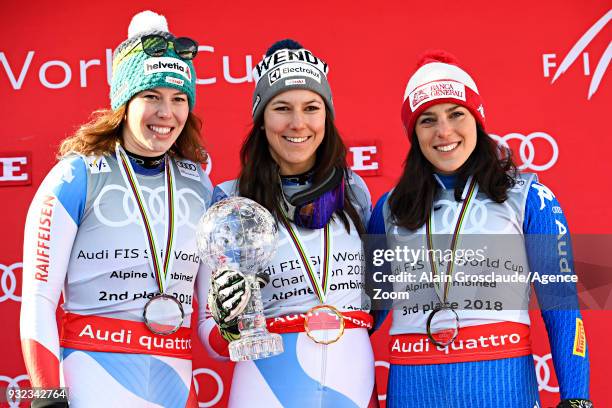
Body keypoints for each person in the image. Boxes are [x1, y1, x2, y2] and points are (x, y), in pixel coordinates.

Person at [368, 51, 592, 408]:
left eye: (456, 114)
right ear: (414, 133)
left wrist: (577, 398)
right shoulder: (390, 208)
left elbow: (562, 305)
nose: (444, 132)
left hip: (501, 388)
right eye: (427, 120)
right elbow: (367, 311)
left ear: (477, 119)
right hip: (412, 390)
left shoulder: (527, 196)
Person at [20, 11, 212, 408]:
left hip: (175, 382)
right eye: (152, 96)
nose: (167, 113)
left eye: (179, 99)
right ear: (124, 102)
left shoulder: (200, 184)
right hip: (92, 377)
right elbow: (38, 299)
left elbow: (214, 317)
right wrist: (47, 397)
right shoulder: (76, 175)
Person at [199, 39, 378, 407]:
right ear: (261, 121)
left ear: (325, 117)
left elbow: (377, 302)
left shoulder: (355, 190)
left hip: (353, 384)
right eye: (281, 108)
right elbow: (212, 338)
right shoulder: (230, 201)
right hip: (267, 388)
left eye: (311, 108)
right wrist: (229, 325)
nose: (298, 123)